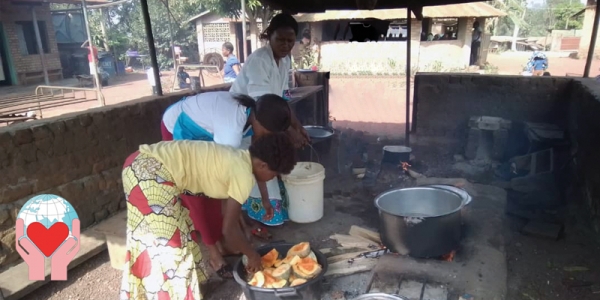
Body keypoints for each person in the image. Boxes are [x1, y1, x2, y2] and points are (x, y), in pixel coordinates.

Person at [119, 134, 297, 300]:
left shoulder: (238, 157)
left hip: (138, 163)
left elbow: (228, 216)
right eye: (273, 175)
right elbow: (228, 229)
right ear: (263, 165)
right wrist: (252, 255)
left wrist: (244, 238)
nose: (270, 179)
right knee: (173, 250)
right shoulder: (243, 174)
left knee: (164, 236)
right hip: (150, 173)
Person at [160, 92, 293, 277]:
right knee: (200, 196)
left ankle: (226, 244)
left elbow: (257, 165)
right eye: (269, 134)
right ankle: (215, 255)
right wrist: (239, 235)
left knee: (220, 197)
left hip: (205, 134)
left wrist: (264, 200)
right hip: (178, 126)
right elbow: (227, 182)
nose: (269, 138)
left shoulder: (253, 117)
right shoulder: (231, 131)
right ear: (260, 123)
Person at [229, 13, 309, 230]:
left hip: (266, 115)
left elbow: (280, 100)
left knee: (267, 160)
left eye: (290, 41)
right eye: (280, 39)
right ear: (269, 36)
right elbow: (262, 104)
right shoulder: (259, 60)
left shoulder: (284, 61)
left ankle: (269, 208)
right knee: (258, 161)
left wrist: (297, 125)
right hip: (246, 118)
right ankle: (259, 212)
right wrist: (288, 132)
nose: (285, 45)